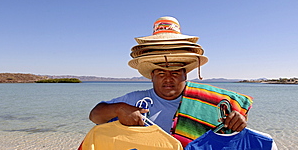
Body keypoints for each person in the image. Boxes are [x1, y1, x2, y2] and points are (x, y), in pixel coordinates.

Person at [89, 16, 248, 136]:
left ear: (185, 74)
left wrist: (238, 122)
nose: (168, 78)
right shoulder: (137, 101)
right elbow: (95, 115)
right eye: (160, 72)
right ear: (152, 76)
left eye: (175, 72)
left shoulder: (208, 102)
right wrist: (119, 109)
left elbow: (232, 131)